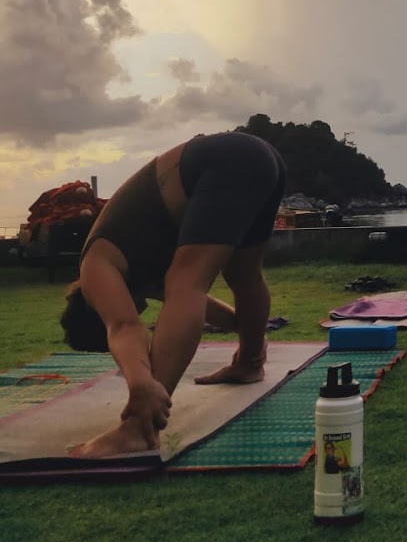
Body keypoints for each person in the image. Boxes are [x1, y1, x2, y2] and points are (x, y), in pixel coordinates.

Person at [60, 130, 287, 458]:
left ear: (93, 308)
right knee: (243, 275)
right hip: (260, 158)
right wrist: (247, 324)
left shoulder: (93, 269)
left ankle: (139, 427)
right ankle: (250, 362)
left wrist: (141, 382)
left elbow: (124, 328)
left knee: (186, 281)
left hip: (223, 163)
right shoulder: (135, 270)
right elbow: (205, 310)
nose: (140, 310)